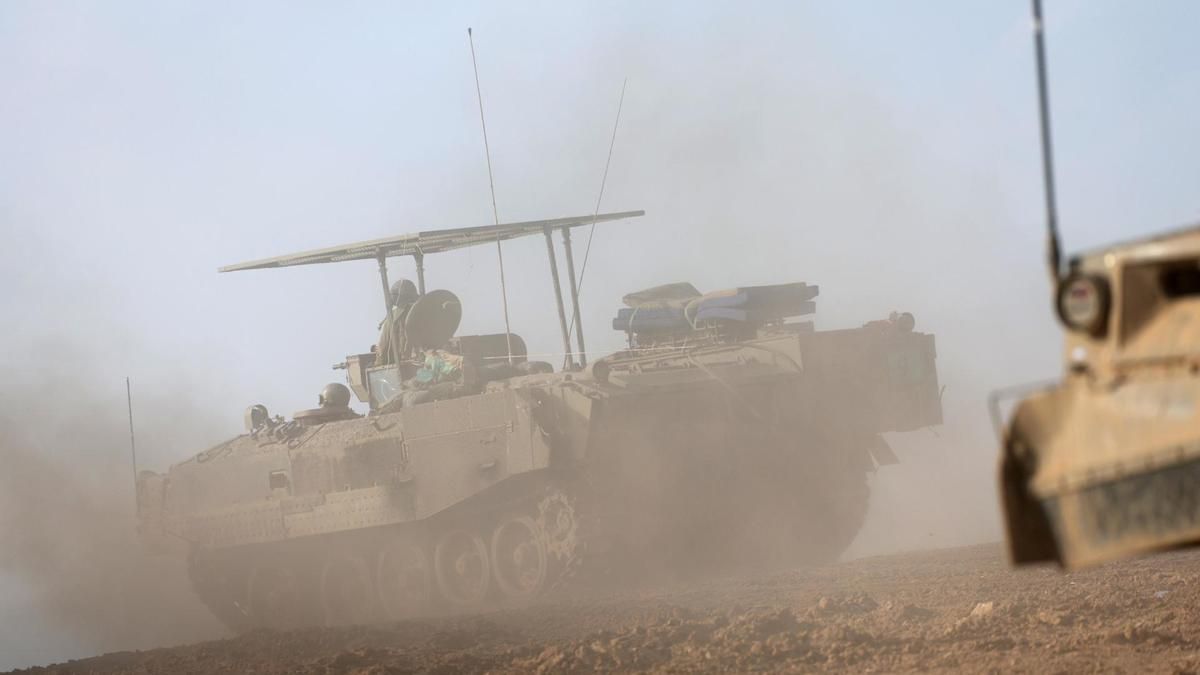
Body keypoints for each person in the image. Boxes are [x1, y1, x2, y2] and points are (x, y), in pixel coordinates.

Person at [375, 279, 419, 366]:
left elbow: (383, 346)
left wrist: (378, 362)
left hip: (407, 361)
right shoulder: (422, 311)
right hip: (417, 358)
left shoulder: (393, 316)